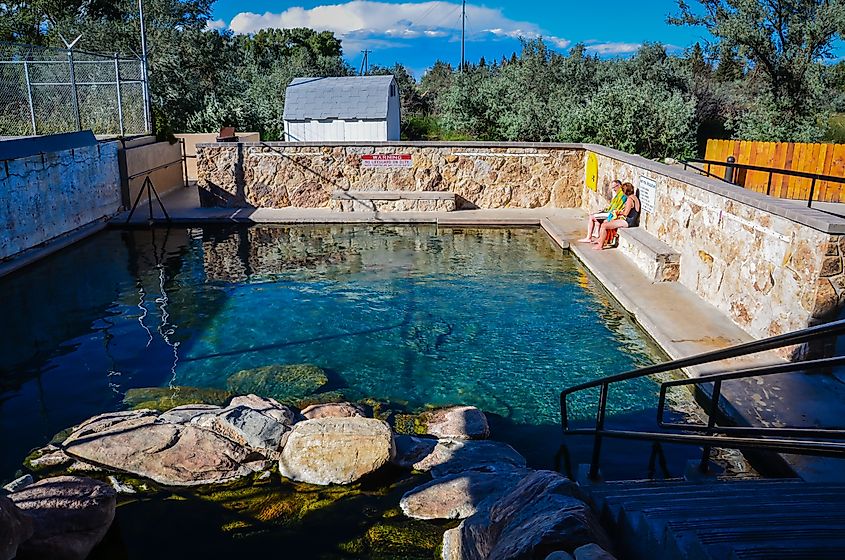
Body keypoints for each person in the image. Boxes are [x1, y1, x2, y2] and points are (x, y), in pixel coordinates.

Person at [593, 182, 640, 250]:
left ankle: (600, 245)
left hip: (628, 221)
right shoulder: (634, 197)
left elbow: (626, 213)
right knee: (607, 221)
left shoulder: (630, 199)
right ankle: (601, 240)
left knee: (604, 225)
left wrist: (619, 212)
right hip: (631, 220)